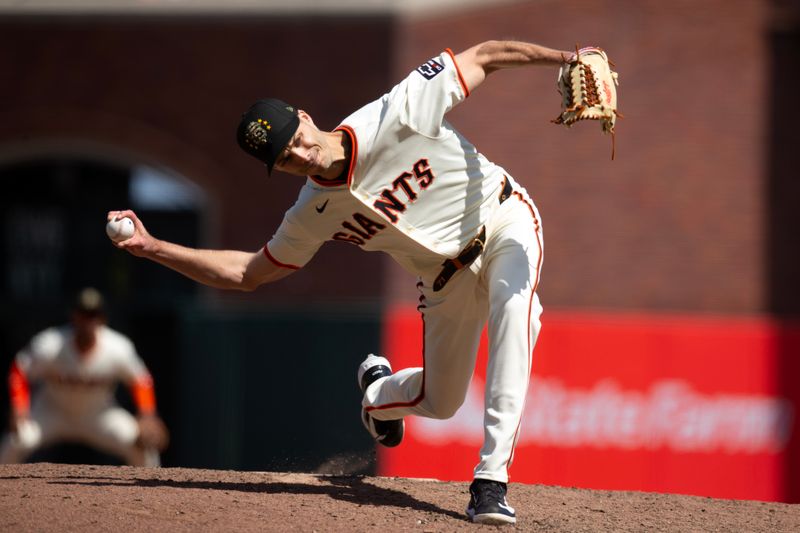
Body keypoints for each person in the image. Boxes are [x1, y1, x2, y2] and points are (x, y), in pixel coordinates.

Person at [108, 39, 576, 525]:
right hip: (442, 282)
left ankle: (490, 479)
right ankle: (378, 393)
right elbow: (249, 273)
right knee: (441, 402)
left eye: (294, 136)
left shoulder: (396, 112)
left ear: (306, 116)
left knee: (516, 310)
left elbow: (484, 55)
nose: (298, 152)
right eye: (283, 156)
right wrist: (153, 248)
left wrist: (569, 58)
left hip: (502, 219)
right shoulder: (312, 212)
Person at [0, 288, 169, 467]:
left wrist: (147, 414)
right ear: (73, 316)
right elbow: (20, 371)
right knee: (17, 439)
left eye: (94, 314)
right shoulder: (51, 344)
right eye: (84, 313)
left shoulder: (117, 347)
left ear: (103, 319)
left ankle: (151, 493)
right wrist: (19, 407)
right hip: (51, 410)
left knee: (141, 446)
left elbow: (141, 380)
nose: (89, 320)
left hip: (98, 414)